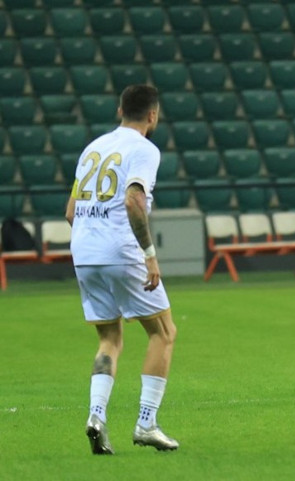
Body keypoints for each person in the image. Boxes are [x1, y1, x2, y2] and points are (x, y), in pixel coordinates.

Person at [66, 84, 179, 454]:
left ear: (119, 110)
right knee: (163, 332)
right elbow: (134, 200)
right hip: (120, 249)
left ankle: (96, 416)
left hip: (84, 251)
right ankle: (146, 423)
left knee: (109, 339)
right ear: (153, 115)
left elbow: (70, 211)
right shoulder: (144, 150)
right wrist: (149, 254)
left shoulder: (92, 148)